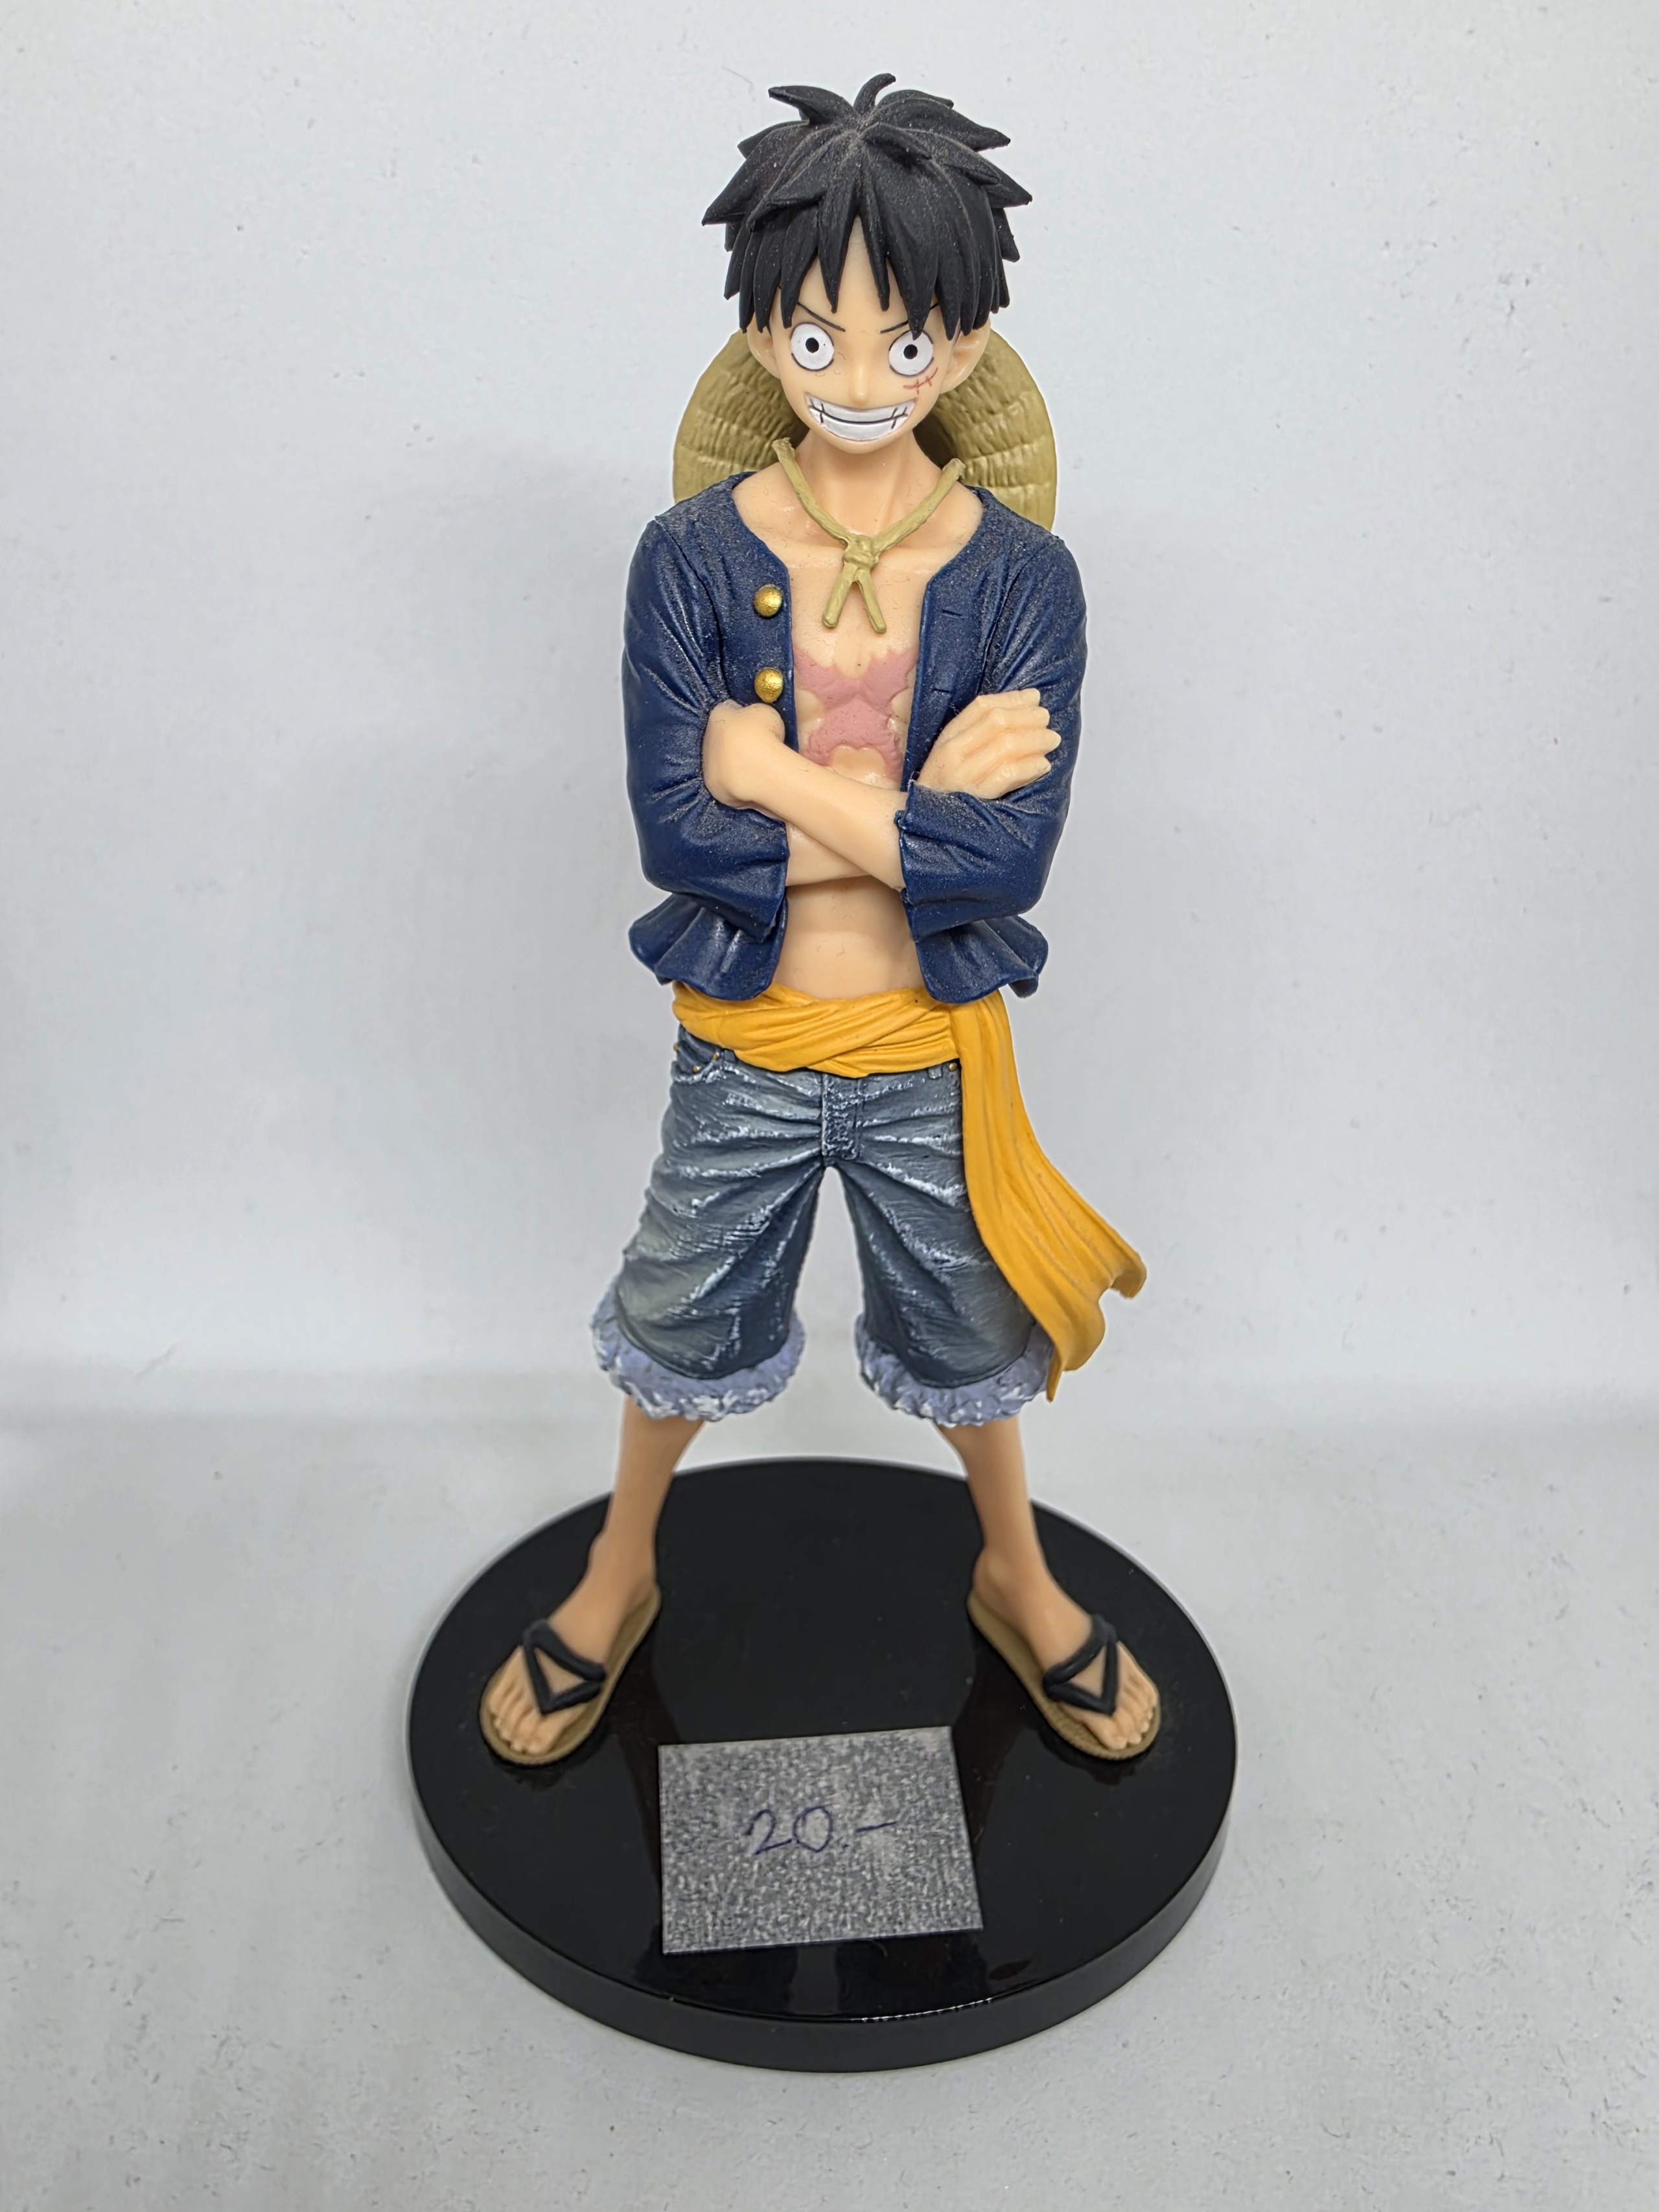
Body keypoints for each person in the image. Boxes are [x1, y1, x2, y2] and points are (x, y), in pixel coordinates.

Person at [481, 75, 1159, 1768]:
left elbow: (1002, 867)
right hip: (747, 1039)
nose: (860, 381)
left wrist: (774, 773)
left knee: (972, 1333)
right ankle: (619, 1567)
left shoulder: (1025, 581)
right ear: (758, 336)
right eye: (816, 337)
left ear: (970, 345)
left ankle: (1015, 1572)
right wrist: (912, 815)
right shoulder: (688, 560)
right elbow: (679, 833)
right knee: (674, 1317)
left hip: (932, 1046)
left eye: (906, 342)